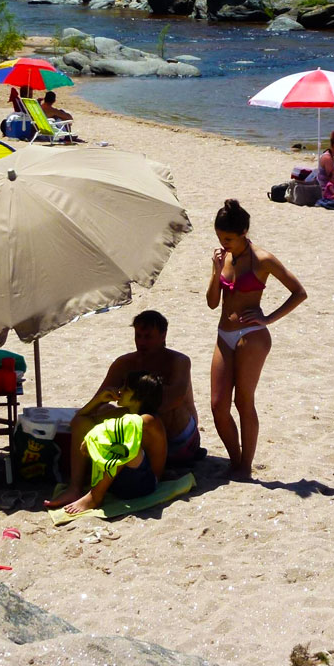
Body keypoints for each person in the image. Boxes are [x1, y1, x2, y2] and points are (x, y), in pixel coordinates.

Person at [207, 200, 306, 477]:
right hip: (223, 334)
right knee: (218, 405)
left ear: (244, 233)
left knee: (243, 402)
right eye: (218, 237)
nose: (222, 243)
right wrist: (215, 272)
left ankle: (244, 466)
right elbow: (213, 303)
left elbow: (299, 293)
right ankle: (235, 458)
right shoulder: (223, 257)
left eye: (228, 238)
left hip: (252, 336)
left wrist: (268, 318)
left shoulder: (263, 259)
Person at [64, 310, 202, 470]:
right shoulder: (124, 363)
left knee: (164, 412)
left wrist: (126, 414)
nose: (142, 342)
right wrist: (103, 399)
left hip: (181, 437)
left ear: (163, 336)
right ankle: (77, 484)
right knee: (103, 410)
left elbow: (172, 401)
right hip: (141, 425)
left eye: (148, 337)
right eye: (138, 336)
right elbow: (96, 404)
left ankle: (157, 469)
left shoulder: (178, 361)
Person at [45, 371, 167, 514]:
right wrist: (99, 400)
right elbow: (77, 421)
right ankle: (75, 488)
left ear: (139, 397)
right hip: (119, 480)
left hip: (143, 485)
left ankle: (95, 496)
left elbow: (124, 428)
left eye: (126, 389)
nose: (120, 390)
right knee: (85, 422)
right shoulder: (125, 413)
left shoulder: (151, 420)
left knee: (122, 442)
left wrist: (91, 439)